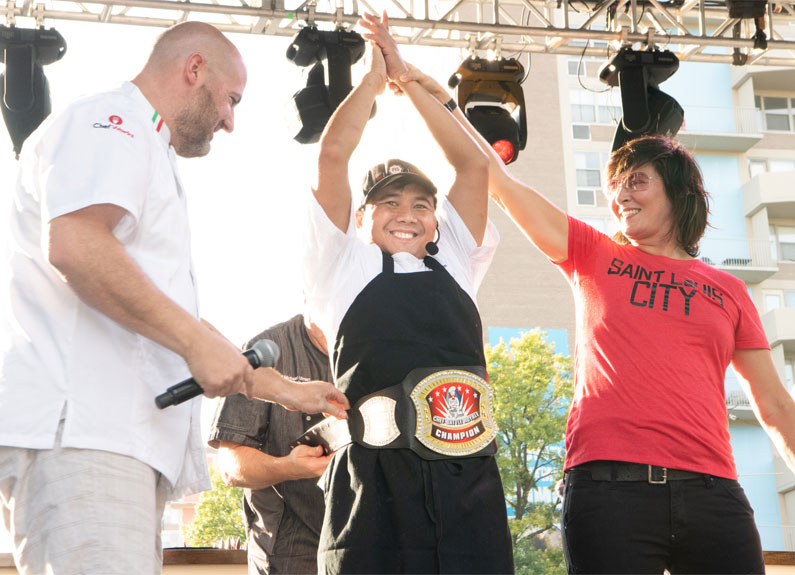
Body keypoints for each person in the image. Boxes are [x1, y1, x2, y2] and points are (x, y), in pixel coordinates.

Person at [393, 57, 795, 572]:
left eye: (638, 181)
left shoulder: (729, 288)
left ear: (678, 189)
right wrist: (426, 90)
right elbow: (494, 178)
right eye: (617, 185)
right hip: (610, 493)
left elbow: (775, 406)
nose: (620, 193)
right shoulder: (594, 254)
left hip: (712, 493)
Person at [0, 22, 347, 575]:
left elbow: (157, 307)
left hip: (112, 442)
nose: (231, 120)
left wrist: (280, 389)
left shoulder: (139, 139)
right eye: (232, 100)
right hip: (88, 435)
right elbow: (76, 244)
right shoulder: (113, 124)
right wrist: (191, 341)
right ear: (194, 69)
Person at [303, 14, 513, 574]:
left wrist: (413, 82)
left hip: (469, 484)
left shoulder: (459, 259)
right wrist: (373, 81)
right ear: (363, 216)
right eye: (389, 204)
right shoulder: (343, 263)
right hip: (373, 485)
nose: (407, 215)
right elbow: (332, 157)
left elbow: (471, 162)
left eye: (421, 204)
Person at [209, 314, 333, 575]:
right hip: (287, 556)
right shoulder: (265, 348)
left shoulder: (383, 349)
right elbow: (231, 466)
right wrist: (289, 467)